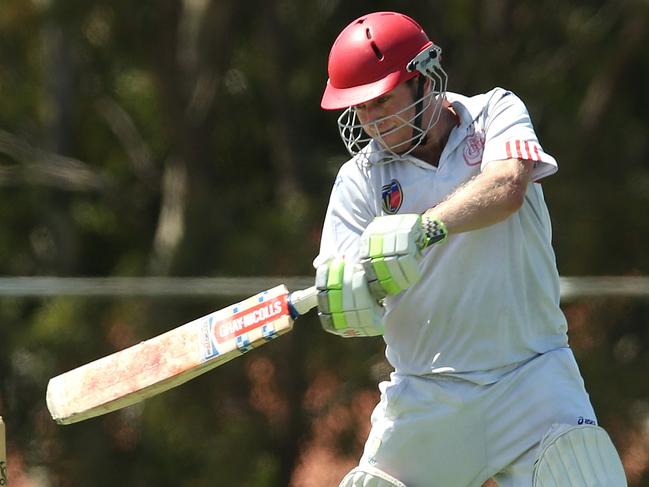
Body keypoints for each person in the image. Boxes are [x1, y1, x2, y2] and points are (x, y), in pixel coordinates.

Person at [313, 11, 627, 487]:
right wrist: (350, 297)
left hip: (533, 376)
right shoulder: (358, 181)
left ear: (424, 81)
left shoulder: (494, 112)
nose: (370, 121)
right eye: (359, 109)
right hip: (426, 394)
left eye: (381, 101)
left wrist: (422, 230)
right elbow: (344, 298)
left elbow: (507, 187)